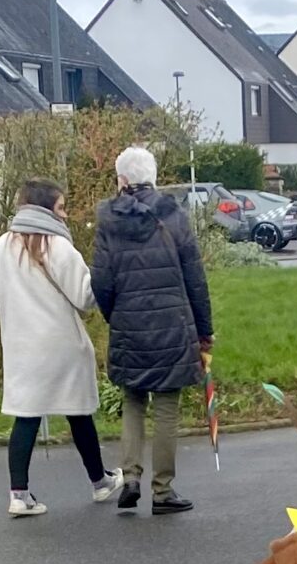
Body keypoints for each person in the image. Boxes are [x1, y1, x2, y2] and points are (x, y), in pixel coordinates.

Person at [0, 177, 120, 518]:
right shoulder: (58, 247)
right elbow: (85, 297)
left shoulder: (1, 247)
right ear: (44, 209)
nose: (65, 215)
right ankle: (99, 481)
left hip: (21, 348)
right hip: (62, 345)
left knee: (26, 416)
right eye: (60, 207)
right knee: (78, 412)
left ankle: (19, 494)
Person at [91, 145, 212, 517]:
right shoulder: (174, 216)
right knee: (166, 408)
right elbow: (195, 277)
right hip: (172, 325)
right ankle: (162, 490)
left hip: (129, 323)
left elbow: (101, 281)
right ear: (154, 178)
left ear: (122, 180)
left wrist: (117, 316)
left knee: (132, 400)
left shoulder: (108, 221)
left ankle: (129, 478)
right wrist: (204, 330)